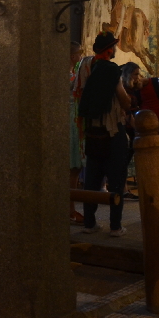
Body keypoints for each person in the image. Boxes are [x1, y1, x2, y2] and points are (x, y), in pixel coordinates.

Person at [75, 32, 133, 236]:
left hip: (92, 131)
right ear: (109, 50)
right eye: (114, 46)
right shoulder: (111, 69)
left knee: (92, 180)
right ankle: (115, 227)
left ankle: (89, 224)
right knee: (116, 179)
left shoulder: (85, 66)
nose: (115, 49)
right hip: (112, 131)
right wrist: (129, 101)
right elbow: (124, 100)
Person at [121, 61, 159, 198]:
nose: (138, 77)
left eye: (138, 74)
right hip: (142, 125)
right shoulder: (132, 88)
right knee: (133, 155)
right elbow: (132, 108)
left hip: (156, 123)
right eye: (135, 75)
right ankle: (130, 188)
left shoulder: (156, 82)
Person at [69, 41, 85, 224]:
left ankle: (70, 208)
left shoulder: (73, 74)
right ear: (73, 56)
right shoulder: (70, 76)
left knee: (75, 168)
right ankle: (70, 210)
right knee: (72, 169)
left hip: (74, 121)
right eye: (79, 54)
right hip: (71, 122)